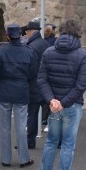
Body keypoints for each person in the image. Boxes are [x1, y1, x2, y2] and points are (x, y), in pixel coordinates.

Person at [38, 19, 86, 170]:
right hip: (71, 105)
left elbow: (42, 79)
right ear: (77, 33)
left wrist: (52, 100)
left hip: (54, 106)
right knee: (68, 145)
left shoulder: (48, 52)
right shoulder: (82, 54)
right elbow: (81, 85)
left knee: (51, 142)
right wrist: (63, 102)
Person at [0, 24, 38, 168]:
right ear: (20, 35)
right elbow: (33, 72)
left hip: (4, 90)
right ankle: (24, 158)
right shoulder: (29, 51)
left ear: (8, 36)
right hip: (21, 90)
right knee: (21, 126)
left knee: (4, 127)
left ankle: (6, 159)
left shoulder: (1, 51)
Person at [24, 20, 50, 149]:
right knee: (53, 113)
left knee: (32, 114)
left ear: (30, 31)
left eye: (26, 32)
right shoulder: (45, 44)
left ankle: (30, 141)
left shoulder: (32, 46)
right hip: (47, 84)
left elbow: (31, 67)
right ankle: (57, 141)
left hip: (34, 84)